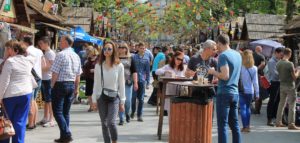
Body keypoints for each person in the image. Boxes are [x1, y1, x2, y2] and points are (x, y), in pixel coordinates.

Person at [208, 34, 242, 143]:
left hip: (224, 93)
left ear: (219, 43)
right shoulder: (237, 54)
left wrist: (213, 72)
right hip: (235, 92)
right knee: (235, 125)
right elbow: (231, 75)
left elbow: (225, 76)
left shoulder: (223, 56)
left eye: (216, 44)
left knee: (222, 125)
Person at [0, 40, 35, 143]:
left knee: (6, 121)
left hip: (10, 95)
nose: (6, 51)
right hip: (26, 93)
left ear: (13, 50)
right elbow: (31, 54)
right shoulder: (28, 60)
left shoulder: (10, 62)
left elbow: (4, 81)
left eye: (8, 49)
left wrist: (0, 96)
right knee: (20, 122)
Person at [92, 41, 125, 143]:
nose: (106, 51)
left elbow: (121, 84)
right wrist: (94, 100)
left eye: (109, 49)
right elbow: (96, 83)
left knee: (111, 122)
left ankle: (114, 141)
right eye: (105, 49)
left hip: (114, 97)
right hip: (101, 97)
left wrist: (122, 101)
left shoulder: (119, 66)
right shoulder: (98, 66)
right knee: (104, 123)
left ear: (113, 50)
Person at [50, 35, 82, 142]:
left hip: (60, 84)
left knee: (57, 111)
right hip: (71, 84)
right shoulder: (76, 56)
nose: (59, 42)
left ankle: (66, 133)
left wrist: (52, 85)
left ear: (66, 42)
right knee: (65, 112)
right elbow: (78, 75)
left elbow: (55, 72)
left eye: (61, 41)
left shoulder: (61, 54)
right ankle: (64, 136)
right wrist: (76, 88)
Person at [23, 36, 44, 130]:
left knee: (31, 101)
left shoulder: (27, 51)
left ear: (25, 42)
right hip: (39, 76)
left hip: (31, 77)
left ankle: (31, 123)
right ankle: (33, 122)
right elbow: (43, 64)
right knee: (34, 100)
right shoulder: (39, 51)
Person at [275, 48, 299, 130]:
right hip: (290, 86)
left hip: (282, 85)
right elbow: (295, 77)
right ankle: (291, 124)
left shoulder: (278, 63)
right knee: (292, 105)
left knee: (281, 104)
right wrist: (298, 71)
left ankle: (278, 122)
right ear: (290, 54)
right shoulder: (290, 64)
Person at [117, 42, 138, 125]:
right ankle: (121, 118)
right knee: (119, 100)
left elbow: (134, 71)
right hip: (117, 82)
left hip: (128, 82)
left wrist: (135, 82)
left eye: (123, 47)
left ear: (126, 49)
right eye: (120, 47)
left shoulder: (131, 58)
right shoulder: (115, 58)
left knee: (128, 101)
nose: (121, 49)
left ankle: (127, 113)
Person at [239, 50, 259, 132]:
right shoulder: (254, 68)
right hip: (250, 91)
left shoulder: (240, 67)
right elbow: (255, 82)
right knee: (248, 108)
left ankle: (244, 126)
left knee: (243, 108)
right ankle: (248, 126)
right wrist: (257, 93)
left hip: (241, 90)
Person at [38, 36, 56, 127]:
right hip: (44, 78)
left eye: (41, 43)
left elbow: (52, 66)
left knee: (49, 100)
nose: (40, 45)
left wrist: (40, 68)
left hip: (48, 78)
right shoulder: (46, 53)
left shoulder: (50, 53)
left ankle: (51, 119)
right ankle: (45, 117)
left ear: (46, 43)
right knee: (46, 99)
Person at [131, 42, 151, 122]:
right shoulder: (133, 57)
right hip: (133, 80)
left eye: (144, 48)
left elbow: (147, 71)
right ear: (138, 48)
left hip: (142, 81)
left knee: (141, 99)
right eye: (141, 48)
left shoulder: (146, 59)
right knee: (133, 98)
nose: (143, 50)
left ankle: (139, 115)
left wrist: (148, 82)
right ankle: (132, 111)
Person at [266, 48, 283, 126]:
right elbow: (275, 74)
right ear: (276, 53)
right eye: (280, 54)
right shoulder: (272, 61)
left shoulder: (279, 61)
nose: (281, 56)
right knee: (272, 101)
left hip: (279, 82)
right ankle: (269, 119)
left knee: (278, 101)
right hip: (274, 83)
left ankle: (276, 118)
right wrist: (284, 75)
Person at [83, 46, 99, 112]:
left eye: (89, 51)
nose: (88, 52)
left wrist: (95, 70)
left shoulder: (98, 59)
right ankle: (91, 106)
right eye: (87, 51)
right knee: (89, 93)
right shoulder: (88, 60)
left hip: (95, 78)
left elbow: (101, 68)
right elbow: (85, 68)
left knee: (95, 92)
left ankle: (96, 106)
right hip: (88, 78)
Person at [252, 46, 266, 114]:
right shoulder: (262, 56)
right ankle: (257, 110)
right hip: (259, 75)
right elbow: (263, 64)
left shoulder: (251, 55)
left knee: (253, 91)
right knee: (259, 92)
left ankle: (253, 108)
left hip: (251, 75)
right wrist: (257, 69)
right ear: (259, 50)